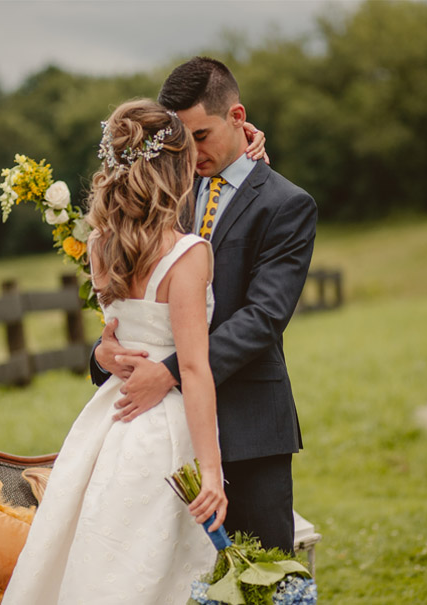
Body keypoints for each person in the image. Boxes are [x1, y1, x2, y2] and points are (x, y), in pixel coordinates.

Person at [2, 99, 227, 604]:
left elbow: (115, 334)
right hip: (163, 432)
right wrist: (211, 472)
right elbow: (193, 368)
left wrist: (106, 354)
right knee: (152, 572)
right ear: (175, 168)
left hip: (110, 420)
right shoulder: (187, 256)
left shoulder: (102, 243)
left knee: (102, 560)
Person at [92, 56, 317, 554]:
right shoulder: (164, 192)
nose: (192, 154)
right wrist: (103, 353)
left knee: (257, 573)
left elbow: (263, 320)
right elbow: (138, 290)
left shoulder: (285, 205)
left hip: (248, 425)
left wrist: (170, 371)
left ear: (238, 118)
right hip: (155, 435)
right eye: (182, 139)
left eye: (202, 136)